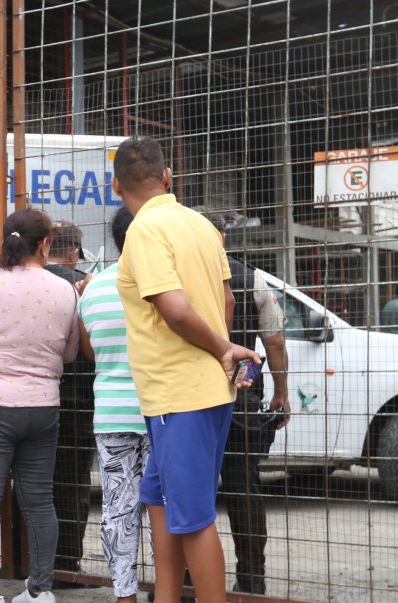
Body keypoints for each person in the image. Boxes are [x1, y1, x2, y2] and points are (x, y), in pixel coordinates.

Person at [110, 136, 259, 603]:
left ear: (116, 186)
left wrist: (220, 349)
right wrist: (221, 351)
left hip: (179, 396)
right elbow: (228, 299)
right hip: (205, 393)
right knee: (156, 498)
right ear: (168, 177)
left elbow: (173, 309)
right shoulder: (200, 225)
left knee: (194, 517)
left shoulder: (144, 231)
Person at [0, 208, 83, 603]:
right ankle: (40, 591)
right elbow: (72, 352)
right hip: (43, 408)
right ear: (45, 245)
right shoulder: (65, 290)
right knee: (39, 500)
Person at [197, 207, 290, 596]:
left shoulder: (178, 276)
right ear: (224, 237)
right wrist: (282, 393)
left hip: (193, 397)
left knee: (191, 490)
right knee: (244, 489)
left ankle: (187, 579)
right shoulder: (252, 279)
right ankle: (251, 580)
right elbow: (275, 340)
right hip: (241, 395)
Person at [78, 207, 149, 603]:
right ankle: (171, 589)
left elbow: (89, 350)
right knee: (163, 508)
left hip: (111, 412)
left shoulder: (95, 287)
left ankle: (125, 595)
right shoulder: (163, 284)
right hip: (159, 410)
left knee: (118, 508)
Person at [42, 220, 98, 581]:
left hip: (37, 397)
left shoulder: (27, 281)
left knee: (33, 481)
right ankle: (65, 565)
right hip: (79, 399)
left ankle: (28, 557)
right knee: (73, 483)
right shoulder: (85, 287)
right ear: (75, 252)